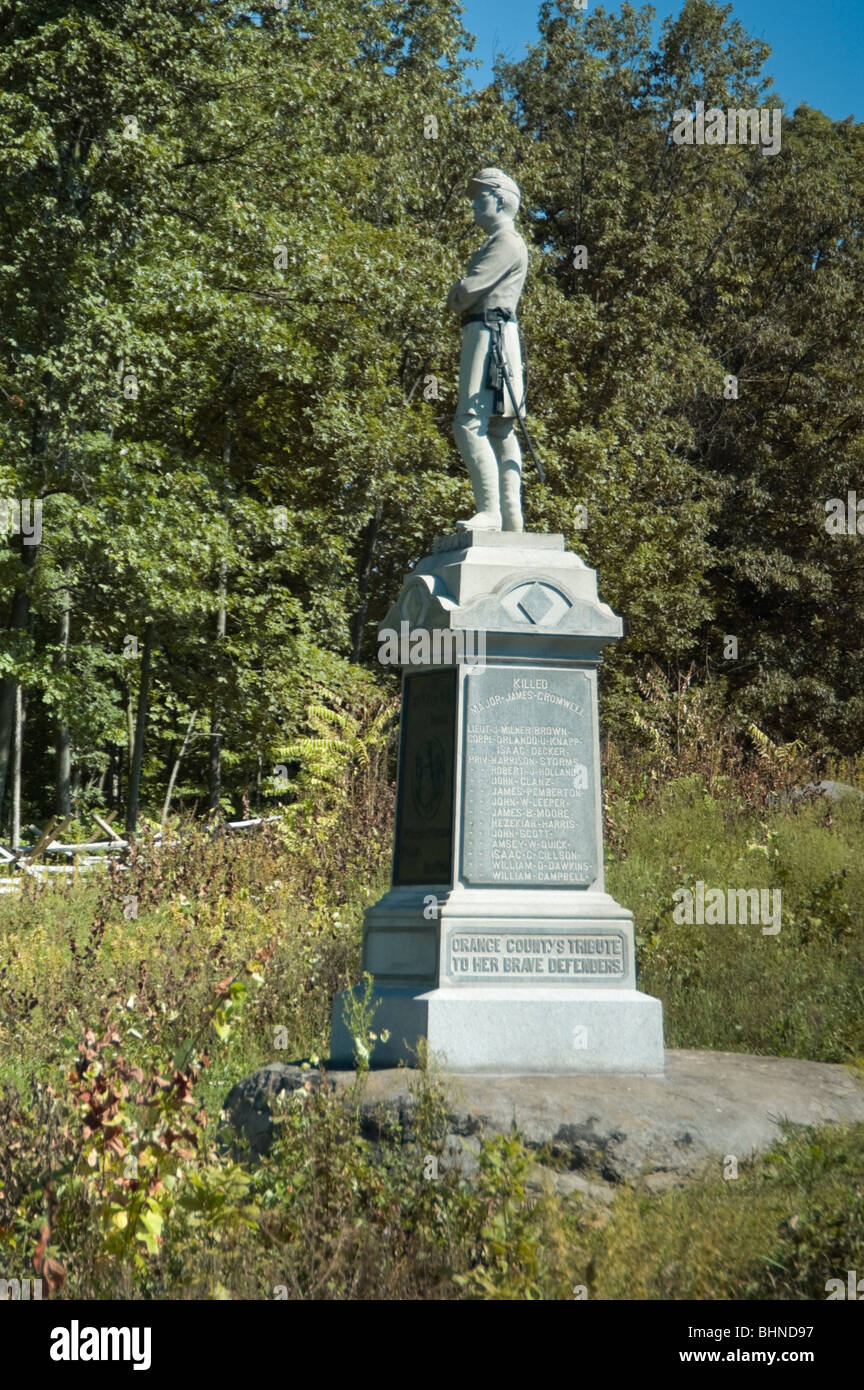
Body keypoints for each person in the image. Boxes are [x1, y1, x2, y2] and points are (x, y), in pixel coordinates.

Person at [447, 167, 529, 532]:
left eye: (480, 196)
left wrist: (457, 293)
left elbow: (465, 293)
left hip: (488, 332)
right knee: (498, 428)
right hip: (494, 332)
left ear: (499, 198)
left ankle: (493, 514)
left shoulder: (504, 242)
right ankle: (510, 517)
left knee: (469, 424)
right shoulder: (502, 242)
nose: (475, 204)